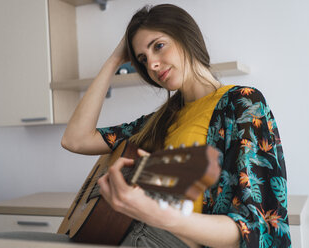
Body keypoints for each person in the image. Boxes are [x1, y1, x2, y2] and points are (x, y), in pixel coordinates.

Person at [61, 4, 291, 248]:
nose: (152, 65)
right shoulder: (159, 120)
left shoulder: (242, 102)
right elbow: (75, 139)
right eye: (142, 59)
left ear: (185, 35)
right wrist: (114, 60)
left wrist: (160, 215)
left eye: (158, 46)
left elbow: (257, 228)